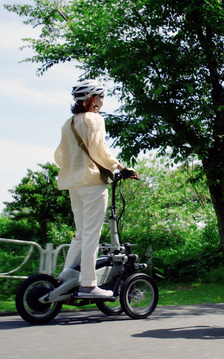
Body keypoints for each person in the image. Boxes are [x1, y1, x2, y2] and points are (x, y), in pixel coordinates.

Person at [54, 79, 130, 298]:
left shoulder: (68, 123)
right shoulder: (94, 119)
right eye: (101, 97)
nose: (102, 101)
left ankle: (67, 278)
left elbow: (60, 155)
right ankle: (88, 284)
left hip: (74, 185)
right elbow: (100, 151)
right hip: (93, 184)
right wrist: (121, 167)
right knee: (91, 234)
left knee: (80, 233)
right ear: (92, 100)